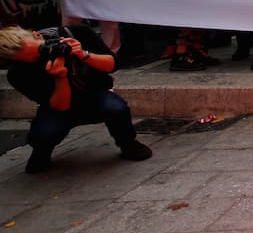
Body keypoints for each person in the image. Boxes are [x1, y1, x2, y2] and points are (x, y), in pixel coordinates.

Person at [1, 24, 152, 174]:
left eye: (41, 49)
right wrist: (60, 77)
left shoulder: (75, 33)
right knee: (43, 134)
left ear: (38, 35)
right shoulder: (18, 74)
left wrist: (83, 54)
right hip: (58, 105)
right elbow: (61, 106)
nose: (44, 55)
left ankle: (128, 144)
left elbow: (112, 65)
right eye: (34, 58)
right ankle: (41, 152)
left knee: (116, 108)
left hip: (93, 94)